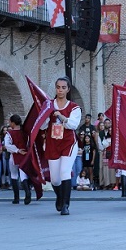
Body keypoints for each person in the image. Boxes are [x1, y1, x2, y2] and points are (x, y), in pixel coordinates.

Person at [40, 77, 81, 215]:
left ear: (68, 89)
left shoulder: (74, 107)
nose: (60, 90)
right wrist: (45, 115)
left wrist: (61, 116)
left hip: (68, 143)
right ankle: (59, 196)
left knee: (65, 171)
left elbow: (73, 125)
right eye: (58, 87)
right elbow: (42, 126)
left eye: (63, 87)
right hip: (53, 143)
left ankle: (65, 205)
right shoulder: (48, 105)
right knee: (55, 179)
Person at [4, 114, 31, 205]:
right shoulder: (25, 132)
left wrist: (17, 150)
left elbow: (7, 145)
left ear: (13, 123)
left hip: (15, 155)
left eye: (10, 122)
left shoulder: (10, 133)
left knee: (14, 175)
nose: (9, 123)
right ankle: (28, 193)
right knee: (23, 175)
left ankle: (16, 198)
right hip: (25, 155)